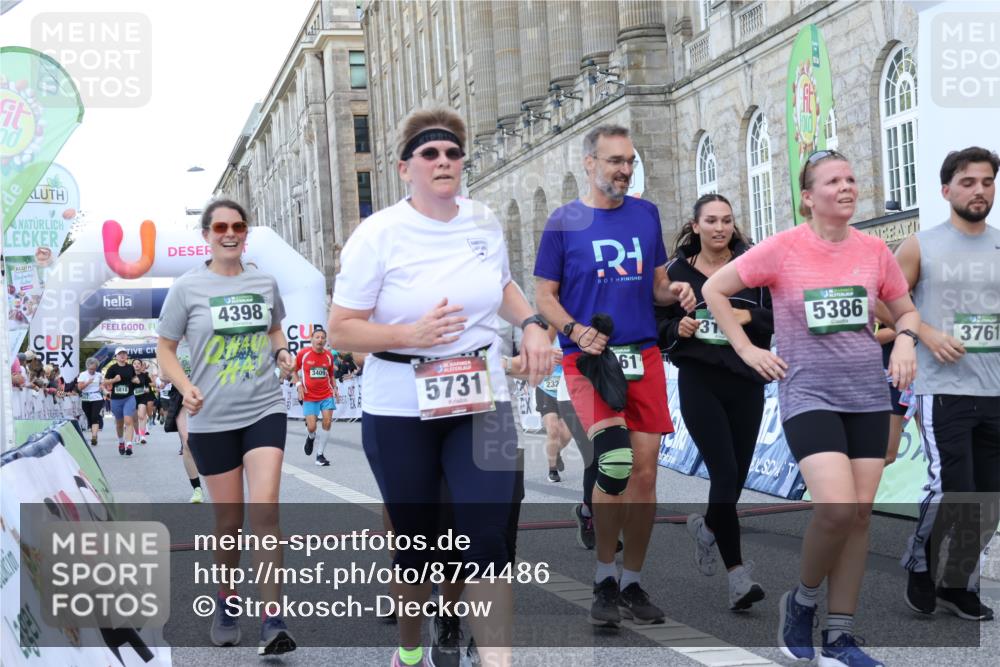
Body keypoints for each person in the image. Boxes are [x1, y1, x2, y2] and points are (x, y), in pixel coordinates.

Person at [328, 107, 550, 667]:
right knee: (418, 546)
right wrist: (411, 331)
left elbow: (501, 285)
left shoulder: (482, 220)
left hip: (483, 395)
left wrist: (528, 324)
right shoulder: (377, 234)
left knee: (487, 539)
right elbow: (341, 328)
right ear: (406, 168)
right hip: (399, 401)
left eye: (453, 153)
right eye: (430, 154)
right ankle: (409, 647)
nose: (444, 162)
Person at [702, 150, 919, 666]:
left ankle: (840, 637)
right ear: (807, 197)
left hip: (866, 393)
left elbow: (904, 308)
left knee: (860, 516)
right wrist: (748, 348)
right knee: (836, 508)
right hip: (808, 394)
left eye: (850, 178)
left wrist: (907, 341)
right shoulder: (782, 249)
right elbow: (714, 288)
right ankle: (801, 602)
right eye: (832, 181)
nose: (846, 187)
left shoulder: (873, 251)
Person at [534, 124, 695, 628]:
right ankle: (604, 576)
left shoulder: (646, 214)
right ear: (589, 163)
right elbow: (544, 296)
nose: (624, 170)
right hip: (589, 359)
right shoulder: (563, 223)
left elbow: (657, 284)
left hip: (642, 355)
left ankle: (632, 582)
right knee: (616, 461)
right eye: (614, 161)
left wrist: (680, 294)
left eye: (629, 161)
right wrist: (575, 331)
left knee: (646, 474)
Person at [157, 198, 297, 655]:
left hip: (264, 407)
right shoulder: (188, 288)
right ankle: (227, 598)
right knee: (229, 522)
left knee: (267, 508)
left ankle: (273, 619)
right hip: (212, 417)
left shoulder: (263, 281)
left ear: (246, 231)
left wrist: (281, 353)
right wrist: (185, 386)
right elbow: (165, 348)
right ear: (207, 235)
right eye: (220, 227)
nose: (230, 233)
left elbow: (276, 328)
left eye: (238, 225)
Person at [896, 146, 1000, 622]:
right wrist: (927, 333)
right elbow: (886, 302)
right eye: (968, 182)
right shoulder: (922, 244)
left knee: (989, 499)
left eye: (986, 182)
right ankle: (921, 563)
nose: (979, 190)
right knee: (954, 489)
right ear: (946, 190)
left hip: (994, 390)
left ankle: (958, 584)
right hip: (943, 389)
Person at [656, 193, 773, 611]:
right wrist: (677, 328)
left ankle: (707, 528)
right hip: (700, 379)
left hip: (746, 380)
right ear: (695, 226)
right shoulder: (673, 272)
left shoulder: (752, 267)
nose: (720, 228)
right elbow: (656, 327)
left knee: (735, 479)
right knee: (723, 473)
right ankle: (738, 577)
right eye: (711, 220)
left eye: (726, 220)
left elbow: (775, 319)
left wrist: (745, 317)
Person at [293, 328, 340, 466]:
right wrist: (298, 385)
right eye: (317, 337)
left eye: (322, 337)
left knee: (327, 422)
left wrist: (335, 389)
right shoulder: (303, 354)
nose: (320, 339)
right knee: (312, 427)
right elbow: (293, 370)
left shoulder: (328, 356)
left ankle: (320, 455)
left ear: (325, 341)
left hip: (326, 394)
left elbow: (331, 374)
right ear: (311, 339)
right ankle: (311, 436)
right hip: (309, 396)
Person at [533, 344, 571, 482]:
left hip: (566, 390)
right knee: (553, 430)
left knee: (567, 435)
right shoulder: (546, 334)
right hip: (546, 390)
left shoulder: (574, 332)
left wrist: (566, 359)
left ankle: (556, 451)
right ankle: (552, 470)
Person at [103, 347, 138, 456]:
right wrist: (114, 380)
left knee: (128, 420)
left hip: (129, 397)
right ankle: (121, 442)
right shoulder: (112, 368)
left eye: (124, 354)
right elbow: (104, 382)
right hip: (116, 399)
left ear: (127, 356)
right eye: (120, 354)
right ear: (116, 356)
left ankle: (129, 445)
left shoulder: (130, 367)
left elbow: (133, 377)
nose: (122, 356)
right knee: (119, 423)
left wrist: (135, 380)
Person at [77, 357, 105, 446]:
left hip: (97, 398)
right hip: (86, 398)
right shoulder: (83, 375)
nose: (92, 371)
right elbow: (80, 388)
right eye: (90, 369)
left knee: (94, 417)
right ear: (87, 367)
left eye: (94, 369)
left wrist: (101, 387)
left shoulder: (99, 375)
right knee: (89, 417)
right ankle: (93, 432)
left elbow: (102, 384)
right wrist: (88, 382)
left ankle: (94, 436)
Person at [132, 359, 152, 444]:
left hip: (142, 398)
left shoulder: (144, 375)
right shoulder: (129, 376)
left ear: (141, 366)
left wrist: (147, 389)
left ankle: (143, 436)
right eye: (135, 363)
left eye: (138, 363)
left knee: (142, 416)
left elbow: (148, 385)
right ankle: (137, 434)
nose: (136, 365)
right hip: (132, 398)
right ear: (132, 365)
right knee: (135, 419)